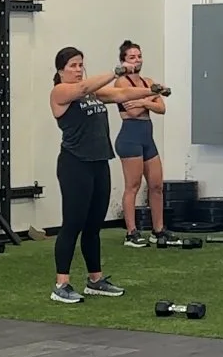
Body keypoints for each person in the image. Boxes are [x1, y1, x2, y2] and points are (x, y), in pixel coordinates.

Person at [48, 46, 155, 304]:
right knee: (73, 224)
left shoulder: (93, 92)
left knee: (94, 226)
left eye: (80, 65)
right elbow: (83, 89)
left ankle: (95, 280)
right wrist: (116, 70)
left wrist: (153, 90)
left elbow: (122, 93)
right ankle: (61, 284)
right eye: (72, 65)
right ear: (61, 70)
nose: (77, 70)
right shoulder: (61, 92)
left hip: (99, 163)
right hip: (75, 164)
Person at [114, 38, 166, 247]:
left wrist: (145, 100)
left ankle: (158, 230)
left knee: (156, 185)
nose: (136, 60)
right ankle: (131, 233)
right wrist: (152, 99)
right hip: (130, 139)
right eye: (131, 57)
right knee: (133, 186)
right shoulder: (121, 83)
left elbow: (162, 108)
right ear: (123, 61)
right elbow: (132, 111)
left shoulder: (148, 81)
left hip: (147, 138)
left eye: (139, 56)